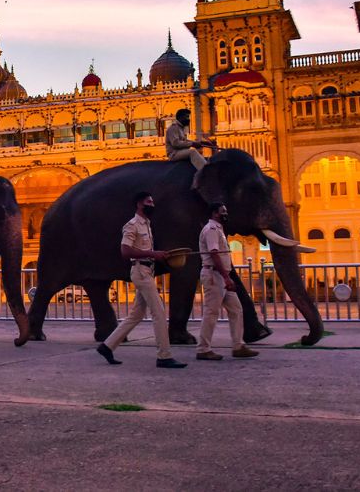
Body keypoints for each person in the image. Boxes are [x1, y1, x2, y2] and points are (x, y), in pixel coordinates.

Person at [97, 192, 187, 369]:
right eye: (148, 202)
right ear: (139, 204)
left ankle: (107, 346)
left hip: (147, 270)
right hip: (140, 271)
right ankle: (164, 355)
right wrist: (153, 254)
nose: (152, 204)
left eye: (152, 201)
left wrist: (158, 255)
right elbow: (125, 251)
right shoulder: (132, 225)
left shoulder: (147, 225)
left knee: (136, 315)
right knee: (159, 312)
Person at [196, 203, 259, 361]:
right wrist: (226, 277)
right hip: (214, 275)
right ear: (214, 213)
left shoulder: (218, 229)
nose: (226, 214)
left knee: (236, 309)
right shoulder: (211, 230)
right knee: (211, 312)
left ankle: (238, 345)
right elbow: (214, 254)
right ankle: (203, 349)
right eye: (223, 211)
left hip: (221, 275)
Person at [166, 109, 213, 188]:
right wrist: (193, 144)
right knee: (192, 152)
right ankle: (206, 173)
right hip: (174, 154)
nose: (188, 119)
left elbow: (185, 141)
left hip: (181, 152)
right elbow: (175, 143)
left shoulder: (181, 128)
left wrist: (202, 143)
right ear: (180, 117)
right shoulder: (173, 128)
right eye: (186, 117)